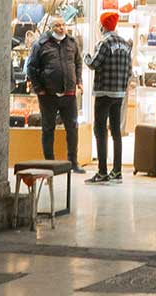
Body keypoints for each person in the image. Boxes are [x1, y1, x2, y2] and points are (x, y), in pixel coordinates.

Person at [27, 16, 85, 173]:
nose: (61, 28)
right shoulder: (41, 44)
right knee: (48, 129)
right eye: (58, 25)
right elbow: (31, 68)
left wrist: (79, 80)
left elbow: (78, 63)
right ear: (51, 28)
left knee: (72, 128)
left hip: (69, 94)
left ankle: (73, 162)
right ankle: (49, 163)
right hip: (48, 96)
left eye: (63, 25)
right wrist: (39, 88)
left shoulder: (72, 42)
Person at [85, 11, 131, 184]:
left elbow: (93, 64)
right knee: (116, 132)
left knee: (100, 130)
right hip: (119, 93)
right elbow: (129, 70)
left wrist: (85, 56)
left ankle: (102, 171)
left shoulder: (104, 43)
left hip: (104, 92)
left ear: (103, 26)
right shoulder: (125, 44)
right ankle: (117, 171)